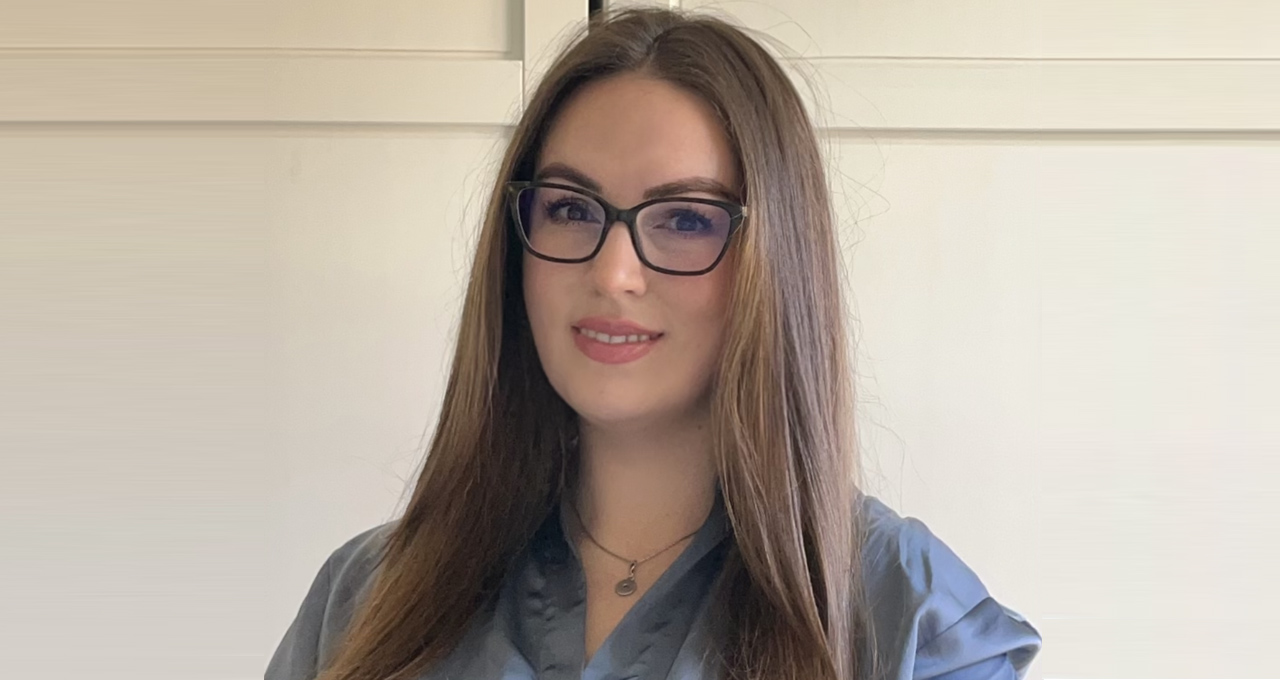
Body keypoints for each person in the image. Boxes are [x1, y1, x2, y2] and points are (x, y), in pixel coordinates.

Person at [267, 8, 1041, 680]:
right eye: (571, 209)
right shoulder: (366, 597)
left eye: (686, 219)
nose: (613, 273)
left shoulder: (906, 615)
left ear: (773, 263)